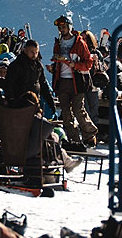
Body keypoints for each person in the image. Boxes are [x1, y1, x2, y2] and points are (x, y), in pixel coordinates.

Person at [48, 15, 98, 148]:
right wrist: (53, 68)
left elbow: (88, 63)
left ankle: (90, 134)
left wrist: (74, 65)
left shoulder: (79, 43)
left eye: (63, 26)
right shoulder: (58, 43)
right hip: (62, 81)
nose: (61, 29)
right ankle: (74, 139)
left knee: (78, 109)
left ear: (69, 27)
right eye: (59, 27)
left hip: (77, 81)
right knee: (65, 113)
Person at [5, 39, 54, 110]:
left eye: (36, 52)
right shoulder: (16, 65)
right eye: (32, 52)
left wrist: (50, 102)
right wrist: (11, 99)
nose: (34, 55)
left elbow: (43, 84)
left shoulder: (38, 66)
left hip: (34, 102)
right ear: (25, 50)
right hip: (18, 102)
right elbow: (9, 83)